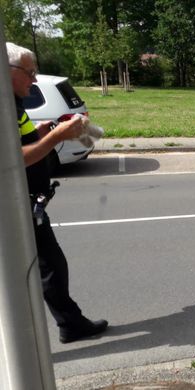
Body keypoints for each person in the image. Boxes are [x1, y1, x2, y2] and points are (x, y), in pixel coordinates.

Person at [7, 42, 108, 343]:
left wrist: (46, 129)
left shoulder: (13, 103)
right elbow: (15, 158)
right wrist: (56, 137)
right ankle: (63, 327)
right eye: (30, 72)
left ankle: (70, 323)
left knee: (50, 266)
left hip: (25, 203)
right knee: (46, 268)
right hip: (14, 205)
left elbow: (22, 139)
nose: (35, 79)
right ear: (8, 71)